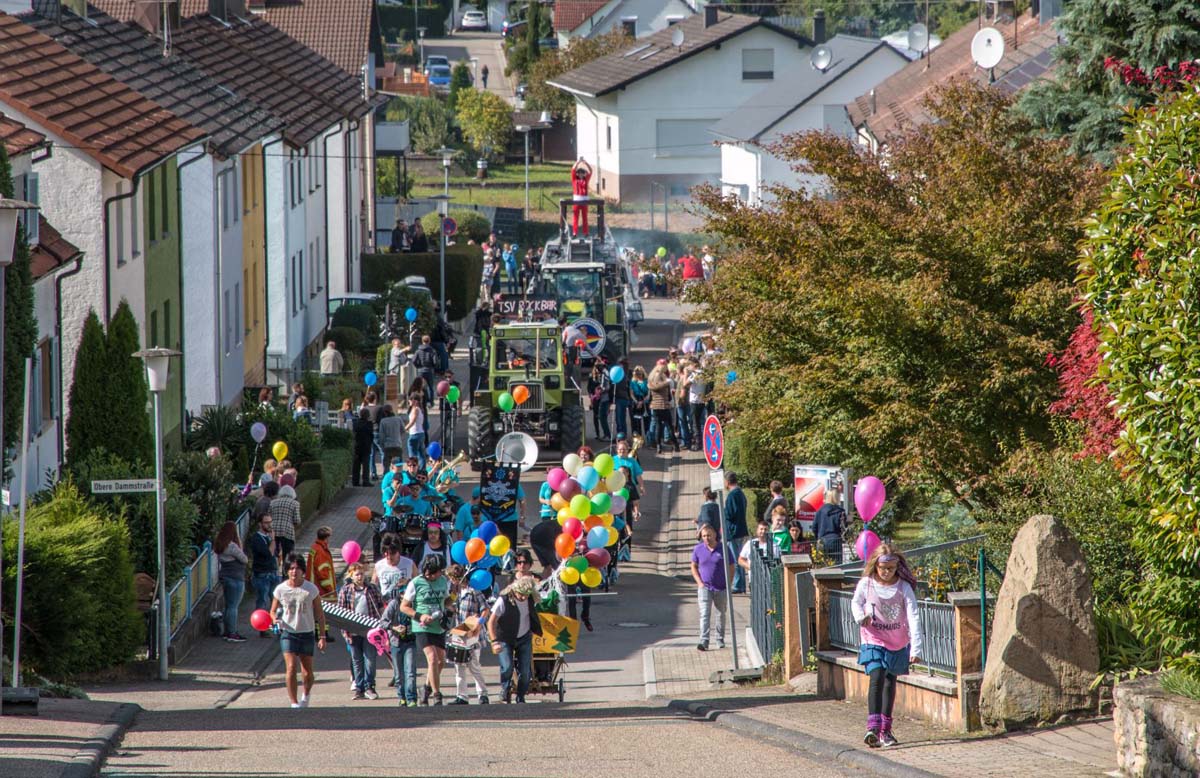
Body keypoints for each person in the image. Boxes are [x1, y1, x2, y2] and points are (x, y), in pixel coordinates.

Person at [852, 543, 923, 748]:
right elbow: (855, 603)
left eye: (890, 568)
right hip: (872, 638)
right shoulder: (866, 584)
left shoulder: (903, 587)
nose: (886, 572)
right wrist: (860, 617)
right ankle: (872, 727)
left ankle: (886, 729)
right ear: (875, 566)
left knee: (889, 681)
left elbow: (913, 616)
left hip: (897, 641)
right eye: (882, 568)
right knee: (877, 675)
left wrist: (916, 647)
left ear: (897, 567)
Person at [270, 553, 328, 708]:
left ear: (303, 570)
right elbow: (273, 610)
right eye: (291, 568)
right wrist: (275, 619)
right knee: (290, 668)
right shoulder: (280, 589)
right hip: (288, 633)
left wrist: (322, 636)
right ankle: (294, 702)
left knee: (307, 672)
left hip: (307, 633)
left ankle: (306, 694)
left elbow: (320, 614)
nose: (294, 572)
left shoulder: (311, 589)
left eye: (297, 568)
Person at [401, 554, 453, 705]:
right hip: (422, 626)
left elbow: (447, 600)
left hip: (439, 625)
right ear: (429, 571)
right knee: (432, 659)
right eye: (438, 572)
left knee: (441, 661)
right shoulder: (416, 583)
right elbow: (404, 607)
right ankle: (437, 695)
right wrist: (419, 615)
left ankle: (426, 687)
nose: (440, 574)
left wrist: (452, 602)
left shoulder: (443, 581)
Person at [487, 570, 542, 703]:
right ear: (515, 589)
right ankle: (505, 689)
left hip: (524, 637)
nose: (523, 598)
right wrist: (494, 641)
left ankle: (521, 696)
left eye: (526, 595)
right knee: (507, 667)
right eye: (521, 594)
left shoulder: (530, 598)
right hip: (505, 637)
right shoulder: (503, 600)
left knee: (525, 671)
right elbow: (491, 621)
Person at [338, 562, 385, 700]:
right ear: (351, 576)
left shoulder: (371, 589)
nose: (360, 577)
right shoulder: (345, 590)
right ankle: (359, 688)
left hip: (370, 630)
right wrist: (345, 632)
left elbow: (380, 607)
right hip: (352, 630)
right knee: (357, 660)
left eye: (362, 574)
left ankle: (369, 686)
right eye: (357, 574)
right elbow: (341, 614)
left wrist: (382, 625)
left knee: (370, 659)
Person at [447, 564, 491, 705]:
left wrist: (479, 625)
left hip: (472, 631)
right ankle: (462, 695)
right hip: (460, 631)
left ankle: (482, 693)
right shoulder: (457, 593)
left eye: (451, 579)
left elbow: (485, 610)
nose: (451, 581)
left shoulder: (474, 591)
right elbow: (451, 607)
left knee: (473, 664)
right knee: (458, 664)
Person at [690, 524, 732, 651]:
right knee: (704, 613)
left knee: (720, 614)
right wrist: (699, 582)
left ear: (714, 534)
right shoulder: (698, 549)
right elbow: (693, 566)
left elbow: (731, 566)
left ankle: (720, 639)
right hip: (705, 587)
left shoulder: (723, 548)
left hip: (721, 587)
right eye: (703, 536)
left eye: (708, 535)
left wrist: (728, 583)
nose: (706, 538)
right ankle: (704, 640)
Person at [379, 583, 419, 706]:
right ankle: (402, 697)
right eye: (402, 593)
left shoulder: (415, 604)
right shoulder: (394, 604)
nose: (404, 595)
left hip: (410, 641)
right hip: (396, 642)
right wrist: (394, 627)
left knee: (410, 671)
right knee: (399, 674)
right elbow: (383, 622)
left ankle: (411, 697)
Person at [216, 521, 248, 642]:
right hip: (236, 578)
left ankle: (226, 631)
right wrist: (239, 541)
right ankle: (232, 633)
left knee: (228, 605)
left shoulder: (220, 545)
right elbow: (244, 559)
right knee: (234, 606)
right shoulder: (232, 546)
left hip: (225, 577)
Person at [248, 512, 277, 637]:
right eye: (266, 522)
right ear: (260, 524)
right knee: (262, 601)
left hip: (272, 572)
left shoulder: (268, 537)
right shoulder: (256, 538)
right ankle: (262, 628)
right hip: (262, 574)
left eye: (270, 522)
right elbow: (268, 553)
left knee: (275, 601)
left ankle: (275, 624)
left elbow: (276, 552)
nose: (269, 525)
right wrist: (273, 540)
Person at [306, 526, 338, 644]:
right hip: (321, 588)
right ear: (327, 537)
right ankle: (322, 634)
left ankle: (318, 632)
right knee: (324, 611)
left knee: (316, 610)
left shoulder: (315, 548)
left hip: (314, 585)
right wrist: (330, 588)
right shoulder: (321, 550)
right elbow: (323, 571)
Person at [738, 520, 781, 592]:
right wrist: (751, 567)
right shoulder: (750, 544)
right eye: (761, 529)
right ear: (757, 530)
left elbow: (779, 562)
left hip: (770, 579)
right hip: (754, 579)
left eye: (765, 529)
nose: (763, 531)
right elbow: (740, 560)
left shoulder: (775, 545)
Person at [724, 472, 749, 594]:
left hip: (733, 532)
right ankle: (741, 585)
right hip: (741, 529)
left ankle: (738, 585)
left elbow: (729, 514)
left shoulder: (732, 496)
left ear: (727, 482)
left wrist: (723, 514)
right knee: (739, 557)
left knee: (735, 559)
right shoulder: (741, 494)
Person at [648, 360, 679, 453]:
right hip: (664, 406)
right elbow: (669, 397)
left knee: (658, 427)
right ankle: (676, 445)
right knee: (669, 426)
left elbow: (650, 394)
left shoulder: (651, 379)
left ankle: (658, 447)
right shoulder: (666, 381)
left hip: (655, 406)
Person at [270, 483, 302, 565]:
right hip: (287, 532)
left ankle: (275, 571)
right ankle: (286, 573)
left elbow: (268, 517)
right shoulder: (295, 503)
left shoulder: (273, 502)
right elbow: (297, 520)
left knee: (274, 554)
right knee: (288, 556)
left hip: (273, 531)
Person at [812, 489, 847, 560]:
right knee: (837, 567)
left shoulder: (820, 511)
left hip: (822, 541)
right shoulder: (840, 512)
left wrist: (818, 537)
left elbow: (814, 527)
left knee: (822, 566)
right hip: (835, 541)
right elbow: (844, 528)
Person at [412, 335, 439, 402]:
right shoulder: (432, 350)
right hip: (429, 370)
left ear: (422, 341)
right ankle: (431, 401)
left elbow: (414, 360)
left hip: (420, 370)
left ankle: (421, 400)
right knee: (430, 387)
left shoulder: (418, 351)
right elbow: (435, 362)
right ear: (429, 341)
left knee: (419, 386)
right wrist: (434, 367)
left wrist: (418, 366)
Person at [570, 158, 592, 237]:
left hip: (584, 200)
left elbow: (590, 171)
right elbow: (572, 170)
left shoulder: (586, 180)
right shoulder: (574, 180)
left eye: (582, 173)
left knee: (585, 217)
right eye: (579, 173)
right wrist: (578, 162)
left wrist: (585, 163)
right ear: (577, 174)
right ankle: (574, 233)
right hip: (576, 200)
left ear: (584, 174)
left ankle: (586, 233)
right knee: (576, 217)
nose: (580, 174)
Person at [352, 408, 374, 486]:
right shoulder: (369, 424)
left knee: (356, 465)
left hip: (357, 446)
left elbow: (354, 433)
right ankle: (365, 481)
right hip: (366, 446)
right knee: (366, 465)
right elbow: (371, 434)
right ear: (367, 415)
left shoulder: (356, 423)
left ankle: (355, 481)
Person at [630, 366, 649, 437]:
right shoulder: (633, 382)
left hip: (645, 402)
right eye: (637, 374)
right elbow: (631, 393)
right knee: (637, 422)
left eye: (640, 374)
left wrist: (642, 402)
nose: (638, 376)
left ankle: (648, 438)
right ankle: (639, 438)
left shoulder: (646, 381)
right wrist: (636, 402)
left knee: (647, 422)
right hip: (636, 402)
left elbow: (649, 394)